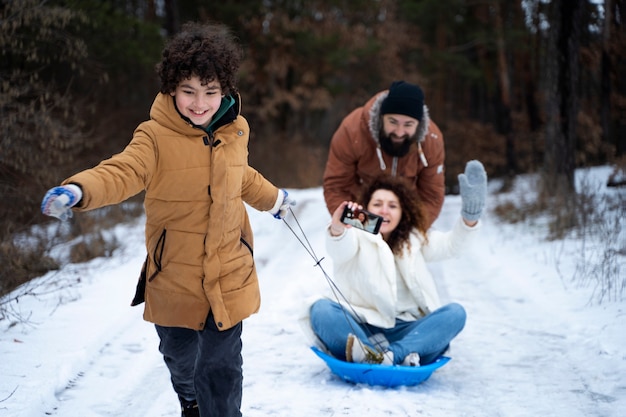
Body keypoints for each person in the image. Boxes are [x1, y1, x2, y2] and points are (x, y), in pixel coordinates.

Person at [40, 22, 294, 417]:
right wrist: (79, 191)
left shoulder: (236, 130)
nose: (199, 103)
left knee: (222, 370)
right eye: (188, 91)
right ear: (172, 88)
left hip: (228, 273)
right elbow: (122, 171)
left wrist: (274, 199)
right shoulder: (154, 137)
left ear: (225, 91)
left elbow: (241, 175)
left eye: (210, 93)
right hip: (174, 275)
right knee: (180, 357)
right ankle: (190, 400)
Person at [309, 160, 487, 367]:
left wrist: (470, 219)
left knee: (455, 313)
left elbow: (452, 246)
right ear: (365, 208)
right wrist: (338, 229)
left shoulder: (415, 239)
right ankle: (376, 353)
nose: (384, 211)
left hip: (408, 330)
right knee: (321, 309)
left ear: (403, 212)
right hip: (361, 326)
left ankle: (390, 355)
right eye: (377, 204)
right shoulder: (355, 233)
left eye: (392, 206)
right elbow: (339, 250)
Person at [323, 80, 445, 229]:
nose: (399, 132)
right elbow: (337, 186)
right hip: (360, 219)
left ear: (418, 125)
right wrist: (365, 225)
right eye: (393, 122)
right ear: (381, 118)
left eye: (408, 125)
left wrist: (407, 231)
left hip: (406, 223)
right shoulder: (352, 131)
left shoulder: (432, 141)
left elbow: (431, 196)